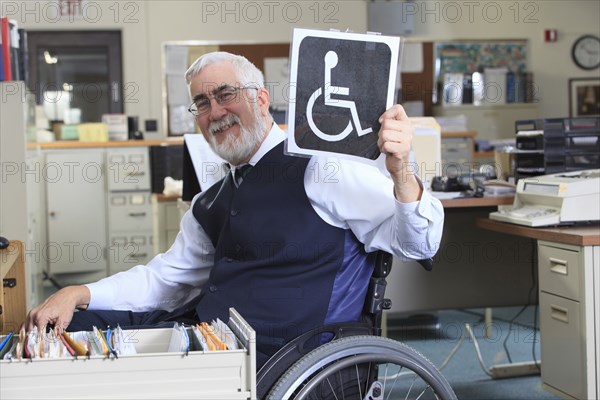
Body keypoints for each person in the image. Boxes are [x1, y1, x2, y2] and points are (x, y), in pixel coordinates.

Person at [26, 51, 444, 367]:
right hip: (210, 340)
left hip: (282, 359)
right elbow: (166, 278)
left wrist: (402, 172)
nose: (215, 112)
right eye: (202, 103)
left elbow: (419, 243)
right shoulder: (211, 200)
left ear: (262, 99)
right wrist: (79, 292)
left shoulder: (322, 167)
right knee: (72, 328)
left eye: (226, 95)